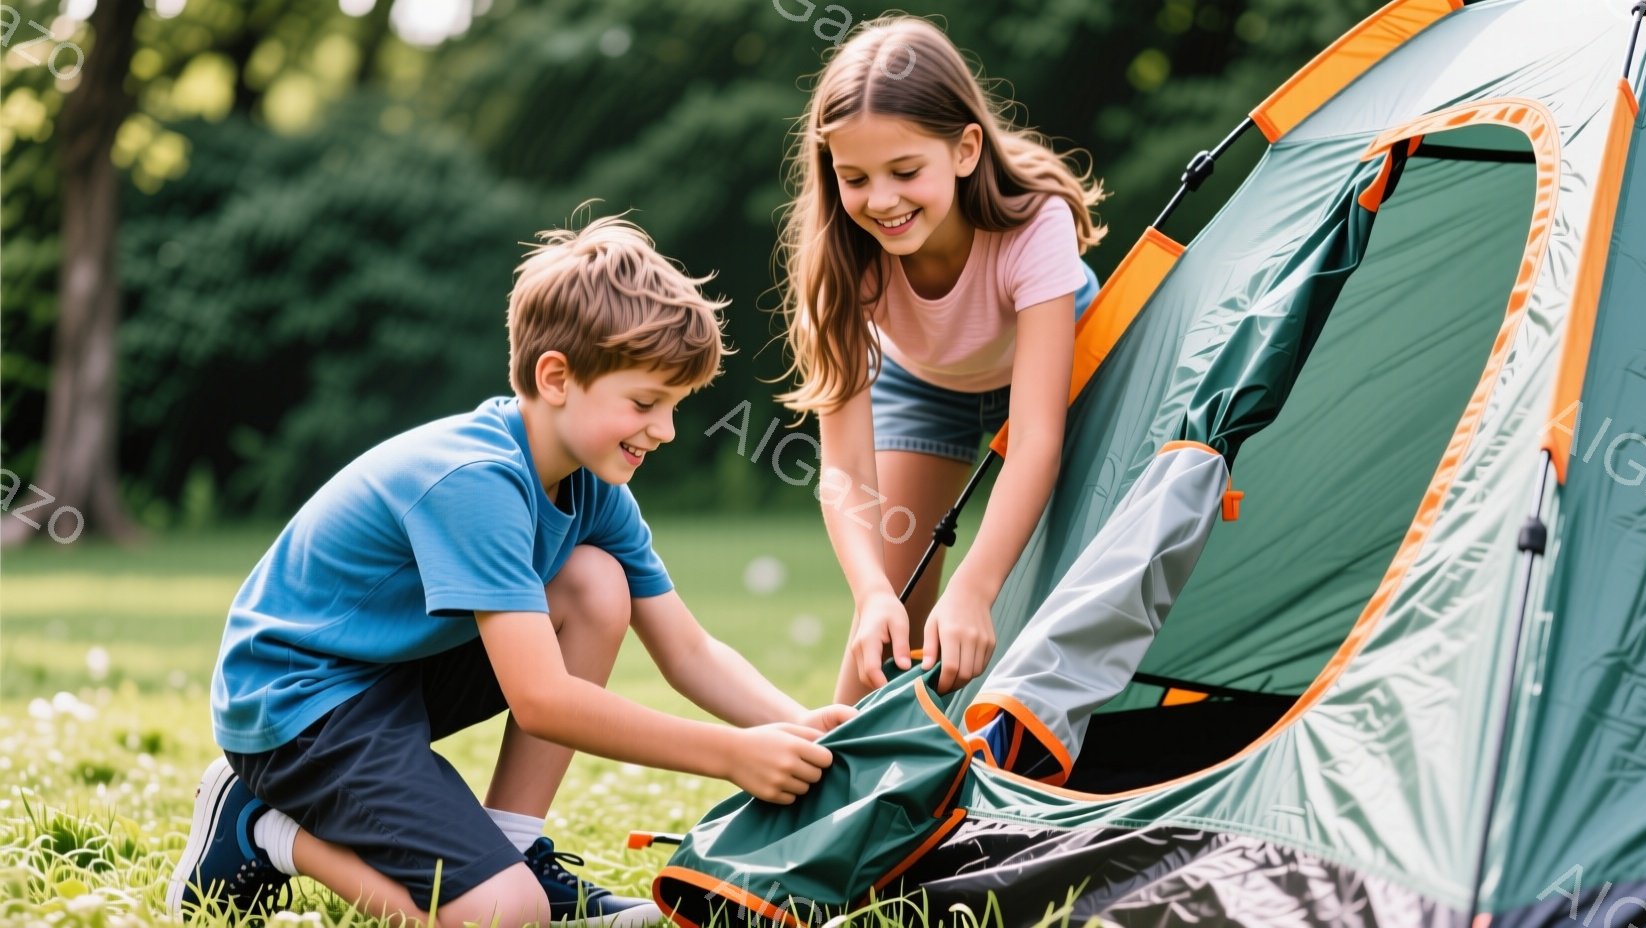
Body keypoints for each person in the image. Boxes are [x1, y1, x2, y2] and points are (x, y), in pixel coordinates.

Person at [167, 214, 856, 928]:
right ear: (556, 377)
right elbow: (544, 701)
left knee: (594, 581)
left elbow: (688, 650)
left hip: (389, 678)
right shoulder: (477, 481)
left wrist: (804, 729)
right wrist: (732, 755)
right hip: (296, 705)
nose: (666, 430)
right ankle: (258, 827)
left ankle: (514, 847)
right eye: (646, 403)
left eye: (675, 407)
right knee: (504, 915)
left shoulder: (594, 488)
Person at [774, 16, 1106, 704]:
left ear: (965, 150)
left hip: (1066, 372)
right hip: (927, 382)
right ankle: (837, 782)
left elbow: (1036, 438)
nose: (882, 200)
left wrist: (976, 589)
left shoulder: (1032, 222)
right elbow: (844, 473)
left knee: (1041, 584)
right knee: (893, 609)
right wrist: (870, 594)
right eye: (855, 177)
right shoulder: (847, 254)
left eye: (905, 171)